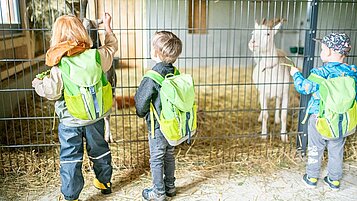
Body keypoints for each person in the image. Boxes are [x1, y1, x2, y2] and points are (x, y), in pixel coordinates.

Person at [32, 13, 118, 201]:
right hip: (95, 118)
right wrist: (108, 27)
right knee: (100, 150)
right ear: (83, 33)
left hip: (70, 122)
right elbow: (111, 48)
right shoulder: (96, 56)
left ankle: (71, 195)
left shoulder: (60, 66)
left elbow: (52, 92)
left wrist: (38, 84)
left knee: (71, 156)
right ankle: (105, 183)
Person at [290, 32, 356, 190]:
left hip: (319, 118)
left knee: (315, 147)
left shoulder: (320, 74)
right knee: (336, 149)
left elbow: (303, 87)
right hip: (341, 120)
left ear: (328, 52)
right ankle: (334, 180)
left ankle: (312, 177)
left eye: (322, 48)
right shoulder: (353, 73)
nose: (321, 52)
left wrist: (296, 74)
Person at [134, 31, 182, 201]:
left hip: (158, 126)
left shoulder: (152, 76)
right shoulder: (175, 73)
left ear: (155, 53)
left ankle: (158, 192)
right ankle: (170, 187)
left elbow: (140, 105)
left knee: (156, 158)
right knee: (169, 155)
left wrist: (142, 113)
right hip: (173, 125)